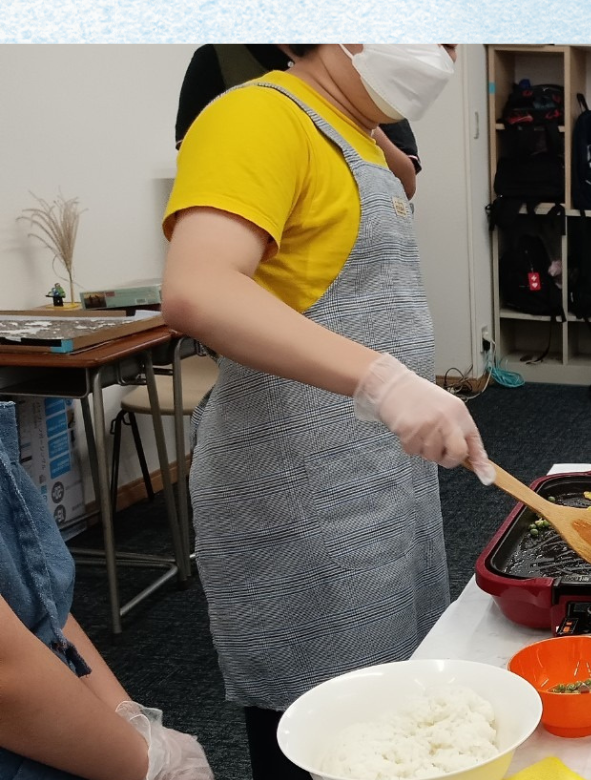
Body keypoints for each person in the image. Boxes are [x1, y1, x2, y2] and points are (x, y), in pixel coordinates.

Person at [160, 44, 491, 779]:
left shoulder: (353, 134)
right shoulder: (257, 116)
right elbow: (198, 287)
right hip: (296, 487)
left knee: (394, 703)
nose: (439, 51)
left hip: (379, 475)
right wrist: (382, 379)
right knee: (320, 729)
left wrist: (383, 143)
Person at [1, 402, 213, 780]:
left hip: (54, 715)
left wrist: (135, 724)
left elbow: (41, 605)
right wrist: (149, 765)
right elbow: (7, 674)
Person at [174, 44, 424, 199]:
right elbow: (201, 171)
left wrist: (359, 119)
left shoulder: (358, 57)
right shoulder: (219, 59)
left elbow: (405, 184)